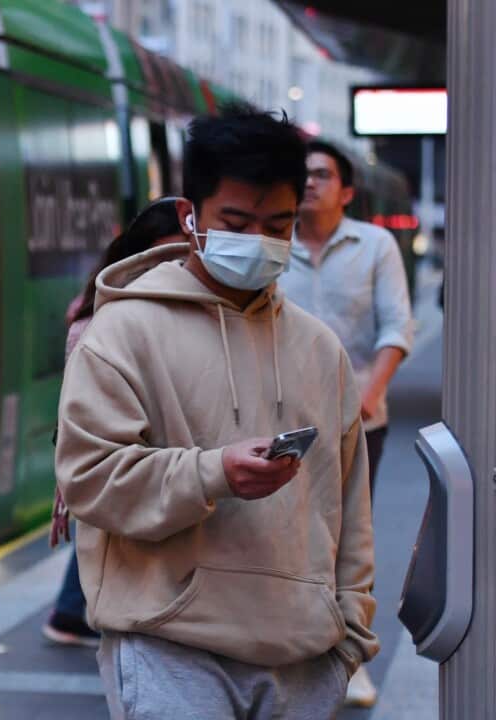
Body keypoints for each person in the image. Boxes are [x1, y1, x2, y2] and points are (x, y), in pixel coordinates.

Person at [56, 105, 377, 719]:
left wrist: (350, 636)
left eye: (278, 223)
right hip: (169, 651)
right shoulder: (122, 333)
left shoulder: (319, 347)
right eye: (236, 220)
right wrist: (213, 473)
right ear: (190, 216)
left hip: (306, 659)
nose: (257, 239)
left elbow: (350, 500)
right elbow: (90, 480)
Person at [278, 142, 413, 708]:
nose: (309, 182)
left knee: (345, 543)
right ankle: (287, 649)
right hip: (278, 422)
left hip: (358, 422)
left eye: (322, 174)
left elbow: (396, 328)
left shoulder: (376, 245)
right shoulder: (271, 243)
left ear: (347, 191)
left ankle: (348, 658)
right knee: (280, 540)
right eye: (302, 173)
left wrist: (368, 393)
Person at [45, 196, 191, 648]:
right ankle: (78, 613)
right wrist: (65, 492)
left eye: (185, 258)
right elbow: (77, 416)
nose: (174, 270)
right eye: (161, 257)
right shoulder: (96, 322)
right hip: (130, 481)